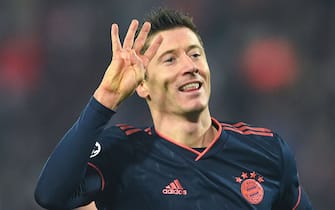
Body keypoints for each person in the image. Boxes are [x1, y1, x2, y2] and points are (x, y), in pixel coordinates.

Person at [34, 8, 313, 210]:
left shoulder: (266, 150)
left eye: (195, 54)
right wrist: (105, 99)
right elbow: (51, 194)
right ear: (143, 85)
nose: (189, 67)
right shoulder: (121, 153)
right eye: (170, 60)